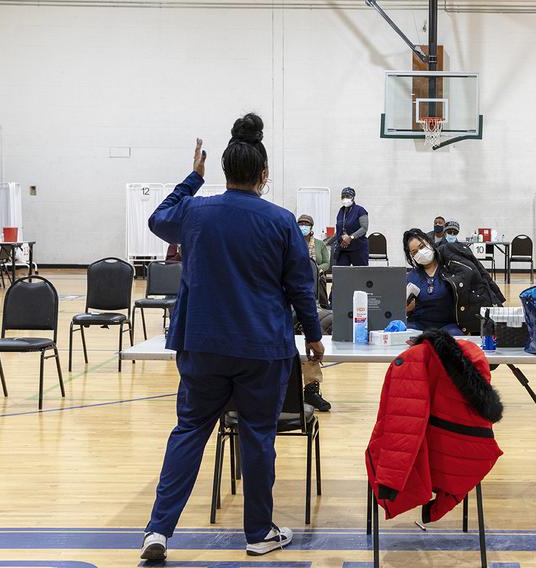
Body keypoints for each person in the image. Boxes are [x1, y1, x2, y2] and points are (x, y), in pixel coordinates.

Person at [141, 115, 324, 561]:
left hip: (201, 343)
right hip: (262, 347)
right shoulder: (281, 221)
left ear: (223, 172)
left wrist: (192, 178)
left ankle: (158, 532)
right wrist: (315, 338)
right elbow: (302, 285)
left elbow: (157, 218)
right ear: (264, 174)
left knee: (188, 432)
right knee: (258, 436)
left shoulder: (194, 211)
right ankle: (258, 532)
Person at [297, 214, 332, 412]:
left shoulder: (316, 248)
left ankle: (311, 390)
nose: (303, 227)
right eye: (300, 224)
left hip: (303, 302)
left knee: (309, 337)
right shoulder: (289, 245)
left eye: (306, 224)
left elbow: (305, 293)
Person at [405, 230, 463, 336]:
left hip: (447, 325)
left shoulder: (449, 270)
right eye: (414, 252)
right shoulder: (411, 276)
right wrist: (406, 309)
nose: (419, 252)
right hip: (417, 324)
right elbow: (401, 309)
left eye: (422, 247)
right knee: (406, 338)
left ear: (430, 244)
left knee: (457, 340)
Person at [332, 187, 369, 267]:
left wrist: (350, 237)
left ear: (353, 197)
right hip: (343, 248)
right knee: (341, 274)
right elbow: (339, 228)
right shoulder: (341, 211)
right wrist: (341, 238)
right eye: (343, 196)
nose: (345, 198)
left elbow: (364, 228)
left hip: (358, 248)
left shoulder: (360, 210)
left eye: (348, 196)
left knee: (361, 275)